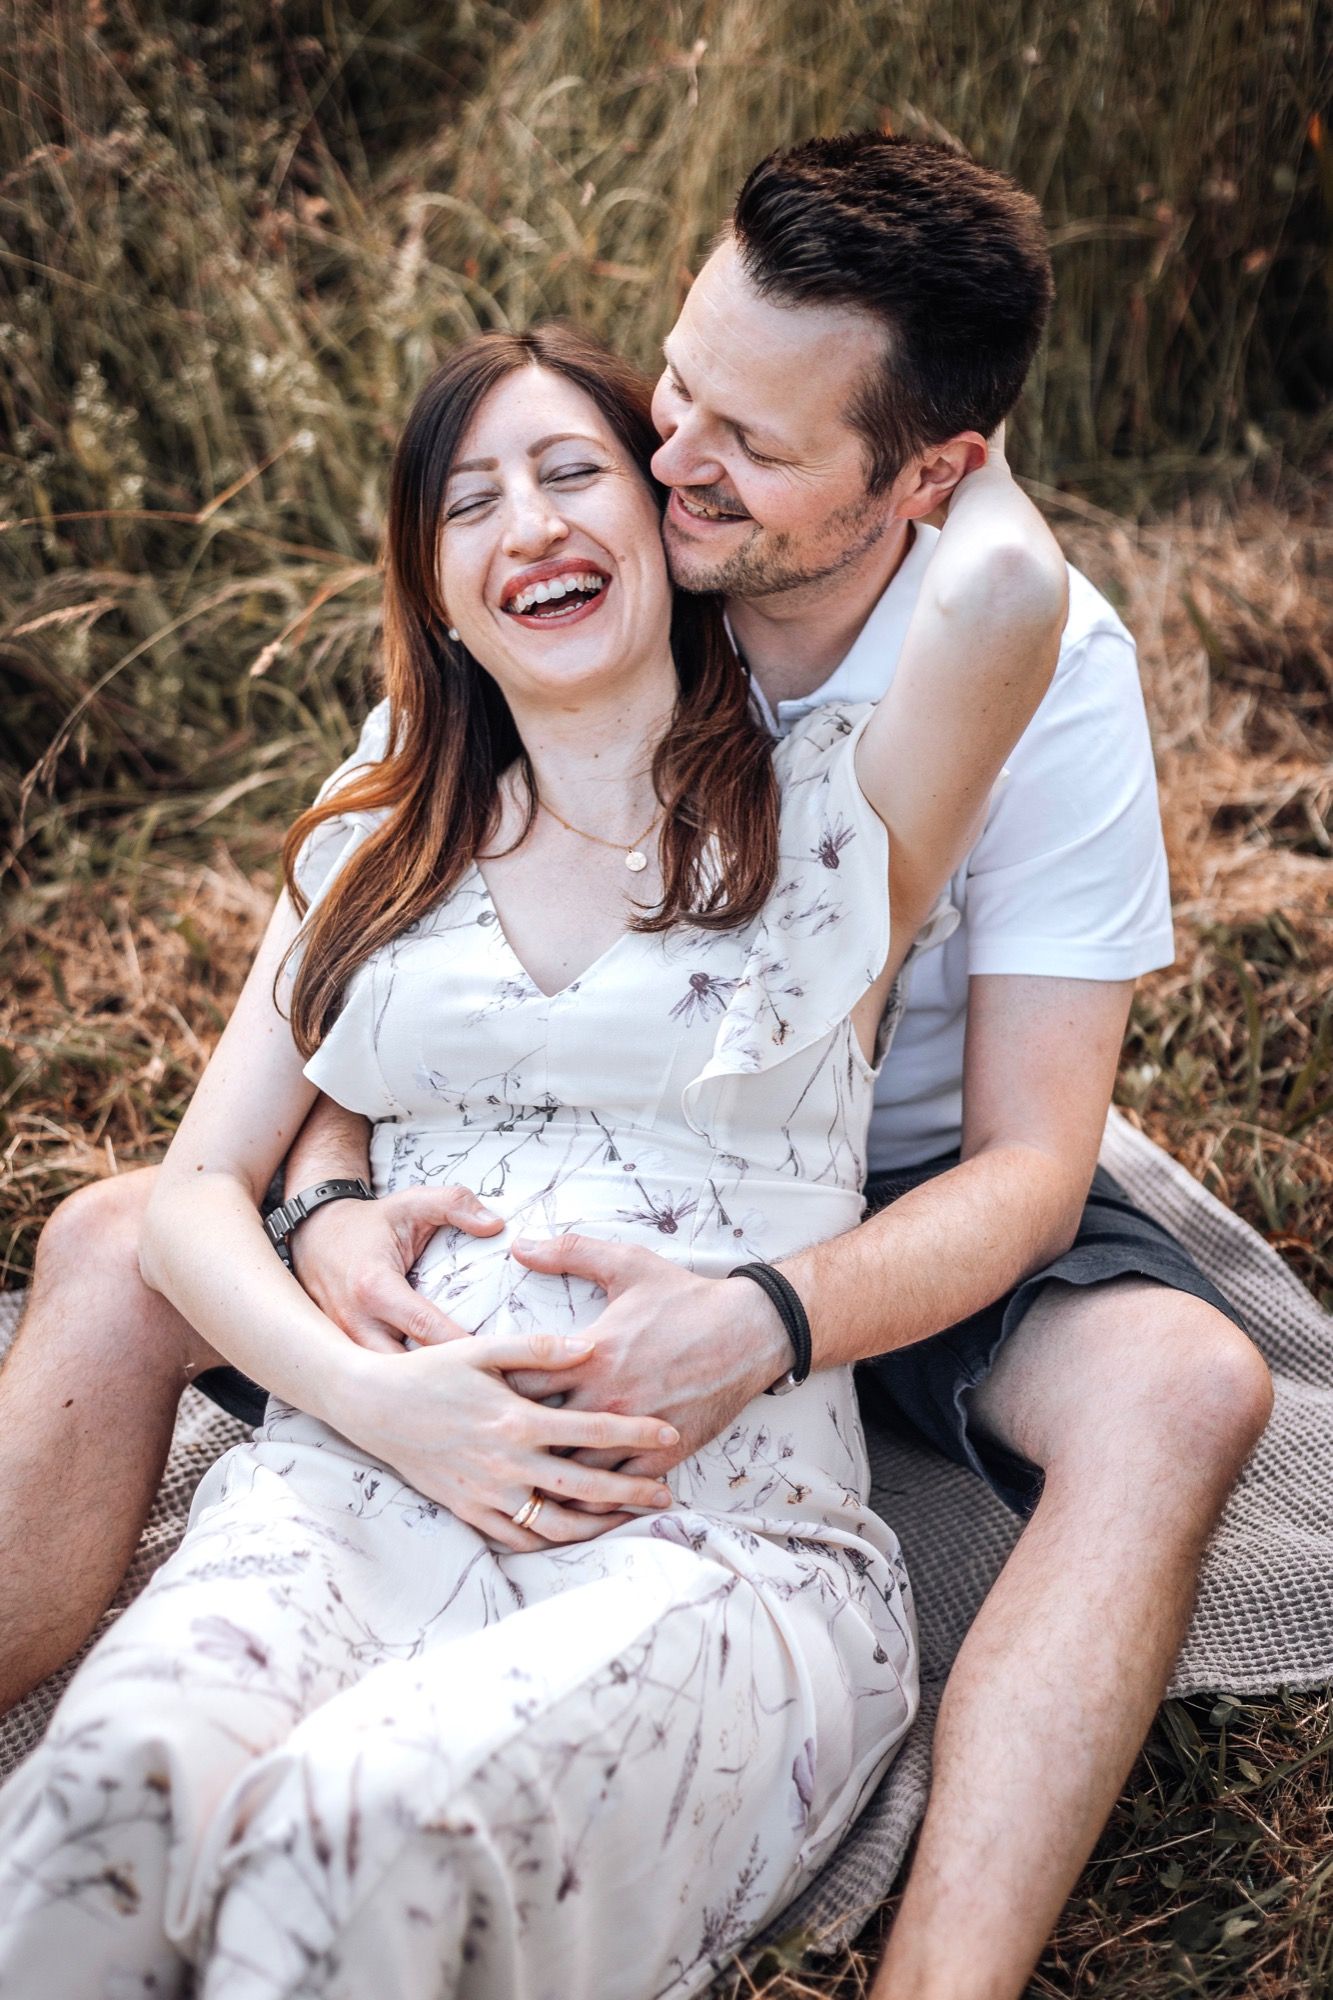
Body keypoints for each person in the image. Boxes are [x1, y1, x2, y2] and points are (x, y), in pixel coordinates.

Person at [0, 134, 1272, 1999]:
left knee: (1179, 1385)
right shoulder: (505, 684)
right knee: (115, 1263)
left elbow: (1027, 1158)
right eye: (673, 391)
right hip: (444, 1331)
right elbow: (366, 1012)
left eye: (744, 442)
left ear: (924, 475)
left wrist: (761, 1320)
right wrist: (332, 1207)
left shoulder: (979, 701)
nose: (672, 460)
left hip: (897, 1178)